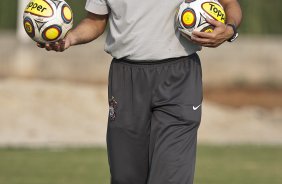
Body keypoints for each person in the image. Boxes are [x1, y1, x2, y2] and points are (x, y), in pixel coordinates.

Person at [38, 0, 242, 183]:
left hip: (179, 77)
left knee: (171, 175)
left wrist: (230, 30)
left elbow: (229, 4)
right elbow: (96, 21)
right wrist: (70, 38)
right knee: (125, 176)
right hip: (126, 79)